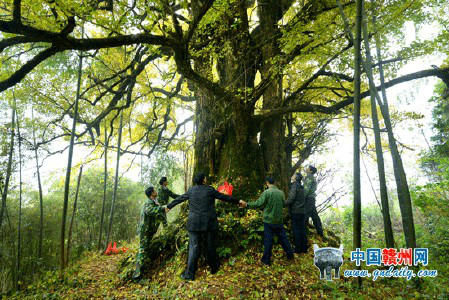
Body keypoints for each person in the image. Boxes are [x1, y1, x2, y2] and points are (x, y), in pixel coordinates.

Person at [166, 172, 245, 280]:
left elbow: (180, 199)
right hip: (209, 222)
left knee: (193, 248)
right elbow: (224, 197)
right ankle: (214, 268)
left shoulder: (191, 190)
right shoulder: (210, 190)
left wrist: (168, 206)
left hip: (194, 223)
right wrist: (238, 201)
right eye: (205, 178)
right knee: (210, 246)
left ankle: (189, 274)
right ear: (203, 180)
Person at [243, 176, 294, 265]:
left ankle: (266, 260)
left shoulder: (267, 192)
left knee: (268, 241)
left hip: (269, 220)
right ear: (275, 182)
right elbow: (283, 204)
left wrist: (247, 204)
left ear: (267, 183)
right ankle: (290, 255)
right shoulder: (281, 193)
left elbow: (258, 203)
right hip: (278, 220)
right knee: (283, 239)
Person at [132, 186, 167, 281]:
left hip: (148, 231)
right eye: (154, 191)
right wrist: (162, 208)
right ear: (152, 194)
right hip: (145, 231)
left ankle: (140, 272)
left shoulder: (153, 203)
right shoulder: (149, 204)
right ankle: (136, 277)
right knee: (142, 251)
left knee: (144, 250)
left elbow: (159, 215)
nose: (156, 191)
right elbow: (150, 211)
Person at [285, 172, 308, 254]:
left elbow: (291, 198)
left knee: (296, 230)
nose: (292, 176)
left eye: (293, 175)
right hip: (302, 211)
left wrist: (284, 203)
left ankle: (298, 249)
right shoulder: (302, 187)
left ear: (295, 178)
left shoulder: (294, 186)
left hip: (295, 211)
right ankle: (304, 248)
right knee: (302, 230)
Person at [304, 165, 324, 237]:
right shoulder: (311, 177)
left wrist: (302, 198)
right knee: (314, 215)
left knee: (305, 214)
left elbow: (306, 189)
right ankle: (320, 232)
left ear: (311, 171)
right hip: (311, 198)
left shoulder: (309, 177)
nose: (306, 169)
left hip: (309, 198)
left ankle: (303, 232)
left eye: (308, 168)